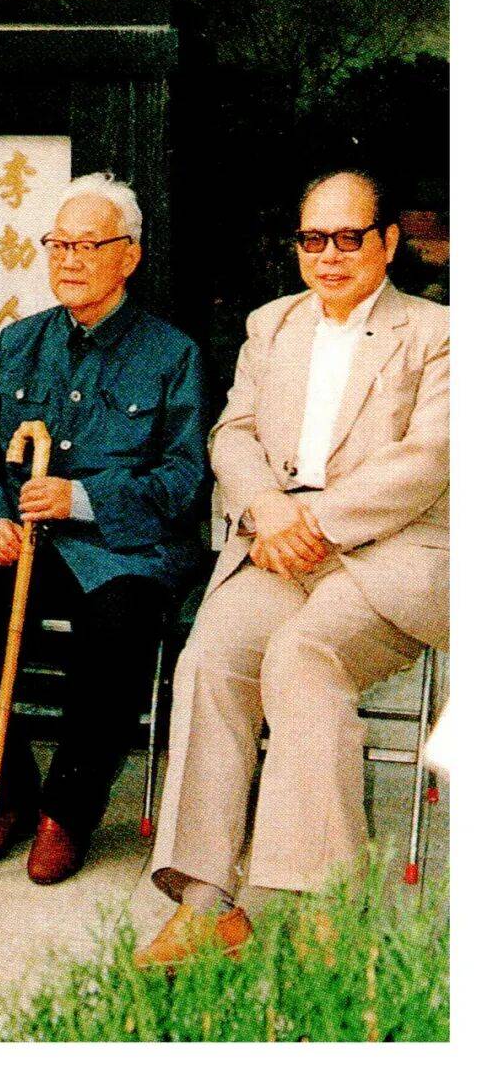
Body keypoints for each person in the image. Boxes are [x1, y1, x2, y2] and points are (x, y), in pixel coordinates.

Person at [137, 170, 449, 968]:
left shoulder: (441, 332)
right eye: (314, 238)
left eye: (349, 237)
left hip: (387, 553)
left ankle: (316, 912)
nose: (330, 254)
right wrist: (267, 509)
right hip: (280, 544)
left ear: (388, 242)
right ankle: (206, 904)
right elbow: (233, 433)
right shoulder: (271, 325)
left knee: (302, 656)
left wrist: (314, 522)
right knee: (211, 656)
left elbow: (430, 459)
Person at [0, 173, 205, 885]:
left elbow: (184, 479)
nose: (70, 260)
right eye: (59, 244)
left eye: (89, 245)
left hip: (120, 550)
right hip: (19, 538)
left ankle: (68, 811)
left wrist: (83, 497)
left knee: (119, 622)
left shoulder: (172, 353)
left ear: (130, 255)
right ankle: (1, 796)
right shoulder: (19, 342)